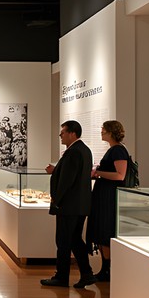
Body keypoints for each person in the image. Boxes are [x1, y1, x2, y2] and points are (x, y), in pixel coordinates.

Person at [41, 120, 95, 289]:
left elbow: (67, 180)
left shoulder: (74, 152)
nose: (60, 135)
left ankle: (62, 277)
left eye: (63, 132)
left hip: (69, 205)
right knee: (75, 239)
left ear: (72, 133)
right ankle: (86, 274)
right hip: (79, 205)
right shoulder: (84, 150)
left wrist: (56, 199)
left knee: (64, 241)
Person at [86, 120, 131, 283]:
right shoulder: (114, 149)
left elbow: (120, 175)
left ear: (111, 132)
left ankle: (107, 270)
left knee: (105, 231)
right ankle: (105, 269)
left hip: (109, 196)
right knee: (102, 230)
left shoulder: (118, 150)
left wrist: (98, 173)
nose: (101, 132)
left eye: (103, 130)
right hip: (105, 195)